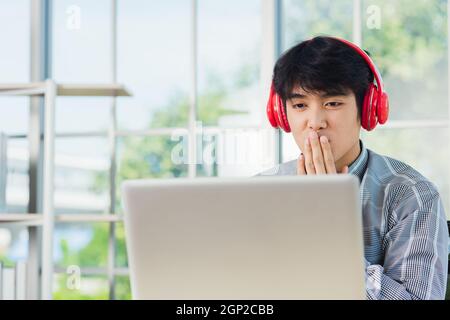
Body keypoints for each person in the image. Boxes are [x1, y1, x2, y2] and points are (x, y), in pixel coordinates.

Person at [259, 36, 449, 300]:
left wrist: (328, 227)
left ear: (369, 108)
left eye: (332, 104)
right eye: (300, 105)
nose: (315, 122)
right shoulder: (258, 193)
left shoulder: (413, 196)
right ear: (282, 113)